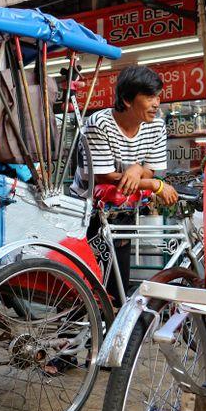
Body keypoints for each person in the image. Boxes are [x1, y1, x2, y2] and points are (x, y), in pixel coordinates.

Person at [74, 66, 179, 305]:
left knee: (118, 280)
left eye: (158, 96)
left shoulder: (156, 125)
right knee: (93, 280)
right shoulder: (99, 123)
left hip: (123, 208)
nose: (156, 103)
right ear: (127, 100)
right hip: (89, 209)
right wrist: (153, 184)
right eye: (150, 97)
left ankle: (109, 330)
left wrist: (137, 169)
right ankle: (84, 326)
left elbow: (150, 167)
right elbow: (104, 177)